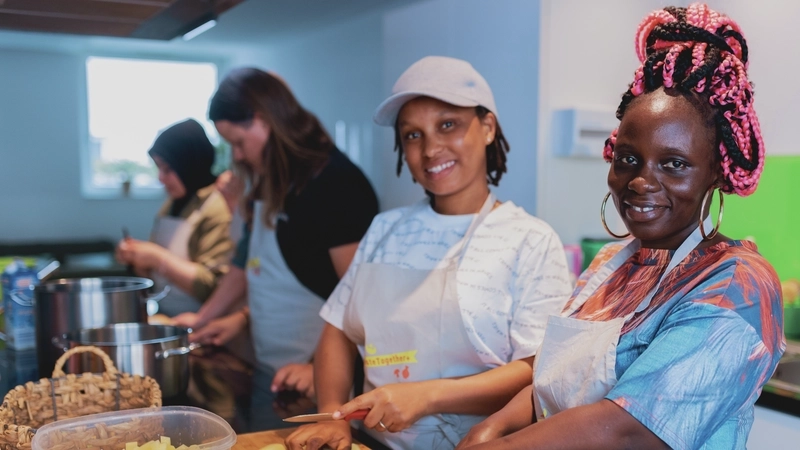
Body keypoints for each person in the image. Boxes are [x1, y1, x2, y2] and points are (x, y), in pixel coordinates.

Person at [457, 4, 785, 449]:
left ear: (715, 171)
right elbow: (555, 378)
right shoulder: (613, 262)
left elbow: (630, 429)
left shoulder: (738, 285)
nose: (641, 182)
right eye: (628, 159)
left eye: (674, 164)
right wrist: (496, 424)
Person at [286, 56, 573, 450]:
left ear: (487, 127)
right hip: (374, 443)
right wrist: (334, 415)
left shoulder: (530, 240)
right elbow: (338, 328)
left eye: (447, 125)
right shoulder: (385, 229)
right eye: (413, 135)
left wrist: (427, 395)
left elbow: (536, 370)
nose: (431, 148)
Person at [172, 68, 379, 430]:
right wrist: (215, 318)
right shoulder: (271, 179)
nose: (237, 155)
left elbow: (361, 297)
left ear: (264, 120)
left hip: (321, 381)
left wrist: (318, 367)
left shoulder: (335, 182)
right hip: (274, 371)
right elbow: (247, 263)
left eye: (238, 142)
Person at [116, 118, 234, 317]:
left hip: (201, 323)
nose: (161, 178)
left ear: (188, 163)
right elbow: (154, 278)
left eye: (168, 169)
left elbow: (214, 287)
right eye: (158, 169)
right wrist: (136, 257)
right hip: (166, 316)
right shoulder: (171, 204)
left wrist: (156, 258)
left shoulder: (217, 206)